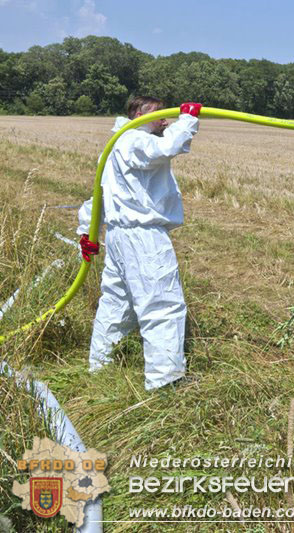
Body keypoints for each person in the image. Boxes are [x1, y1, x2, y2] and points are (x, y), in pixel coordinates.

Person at [77, 97, 202, 390]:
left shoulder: (116, 145)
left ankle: (101, 366)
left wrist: (88, 231)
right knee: (162, 304)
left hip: (120, 236)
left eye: (167, 115)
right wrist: (188, 120)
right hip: (143, 236)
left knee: (116, 304)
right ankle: (165, 381)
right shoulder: (134, 140)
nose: (165, 120)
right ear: (137, 115)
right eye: (159, 114)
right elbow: (164, 148)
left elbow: (100, 197)